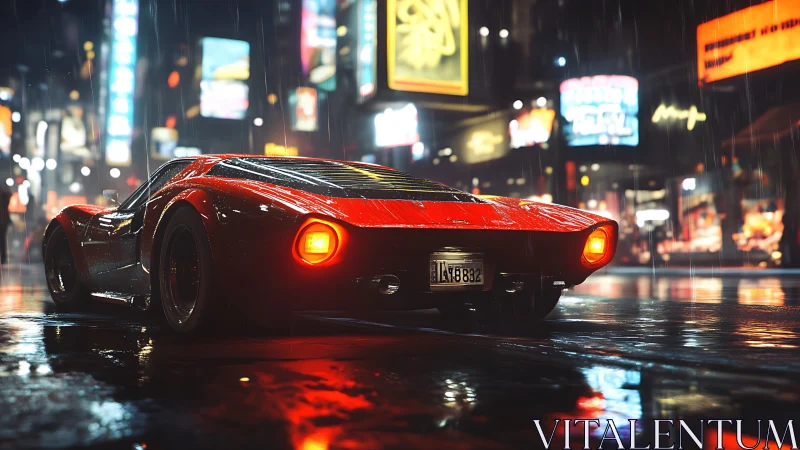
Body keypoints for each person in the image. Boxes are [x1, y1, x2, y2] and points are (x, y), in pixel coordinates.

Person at [0, 185, 11, 264]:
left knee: (2, 239)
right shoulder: (4, 196)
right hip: (3, 221)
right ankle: (3, 258)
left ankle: (3, 257)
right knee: (2, 240)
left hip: (3, 221)